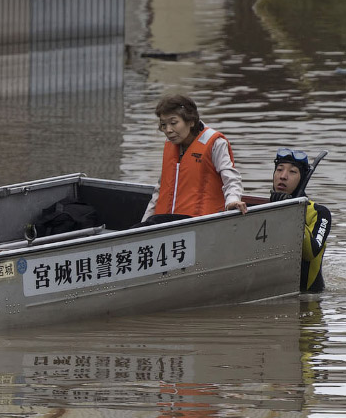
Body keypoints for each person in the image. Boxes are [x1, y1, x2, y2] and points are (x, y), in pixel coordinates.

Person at [141, 94, 247, 224]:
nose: (168, 130)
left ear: (191, 121)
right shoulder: (170, 145)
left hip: (200, 224)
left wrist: (233, 200)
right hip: (165, 226)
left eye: (173, 123)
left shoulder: (215, 143)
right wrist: (143, 225)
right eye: (163, 124)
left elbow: (231, 179)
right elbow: (160, 190)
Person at [270, 148, 331, 293]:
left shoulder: (320, 213)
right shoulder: (261, 209)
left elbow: (310, 252)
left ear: (302, 179)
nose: (283, 176)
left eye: (292, 172)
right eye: (279, 169)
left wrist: (291, 211)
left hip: (309, 299)